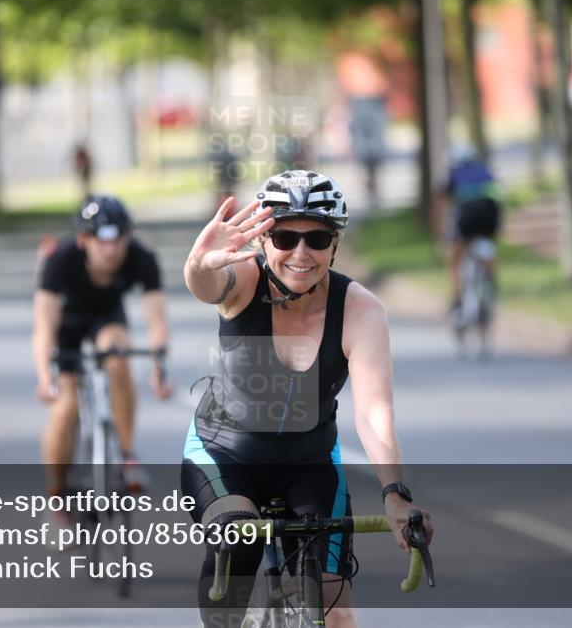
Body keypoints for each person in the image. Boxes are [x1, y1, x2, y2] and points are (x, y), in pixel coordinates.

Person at [181, 170, 433, 628]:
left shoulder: (360, 310)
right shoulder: (240, 281)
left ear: (335, 243)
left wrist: (395, 494)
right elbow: (204, 285)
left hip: (309, 462)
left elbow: (374, 414)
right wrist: (199, 262)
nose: (300, 253)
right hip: (223, 456)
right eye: (283, 237)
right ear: (262, 241)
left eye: (316, 238)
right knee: (238, 542)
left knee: (334, 610)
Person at [32, 195, 173, 521]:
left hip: (106, 319)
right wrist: (45, 376)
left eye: (118, 240)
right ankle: (58, 503)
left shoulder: (141, 257)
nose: (111, 250)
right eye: (101, 242)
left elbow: (157, 318)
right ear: (83, 239)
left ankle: (126, 456)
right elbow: (43, 327)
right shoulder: (59, 259)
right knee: (64, 407)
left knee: (119, 355)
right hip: (65, 325)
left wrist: (159, 368)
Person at [437, 144, 502, 315]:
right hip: (490, 211)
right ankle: (491, 281)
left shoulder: (454, 173)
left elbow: (445, 205)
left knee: (455, 256)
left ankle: (456, 299)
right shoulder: (484, 169)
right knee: (488, 246)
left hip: (468, 213)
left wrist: (442, 231)